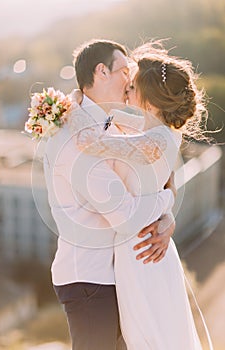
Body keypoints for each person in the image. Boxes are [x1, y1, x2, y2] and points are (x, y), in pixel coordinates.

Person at [70, 42, 213, 349]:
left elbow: (88, 142)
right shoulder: (153, 129)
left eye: (132, 87)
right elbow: (113, 123)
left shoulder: (156, 139)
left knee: (148, 337)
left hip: (141, 255)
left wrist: (71, 104)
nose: (127, 91)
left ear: (149, 101)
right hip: (138, 250)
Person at [43, 39, 176, 350]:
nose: (130, 80)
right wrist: (168, 201)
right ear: (101, 71)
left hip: (117, 277)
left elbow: (155, 181)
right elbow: (127, 215)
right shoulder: (70, 138)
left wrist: (168, 219)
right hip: (90, 280)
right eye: (125, 70)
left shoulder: (113, 127)